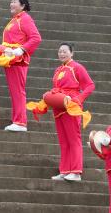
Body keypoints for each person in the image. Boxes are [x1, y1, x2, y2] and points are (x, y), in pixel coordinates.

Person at [44, 43, 95, 181]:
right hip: (60, 106)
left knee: (73, 139)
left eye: (65, 51)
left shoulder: (77, 67)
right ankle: (65, 170)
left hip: (72, 106)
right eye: (60, 51)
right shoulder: (58, 70)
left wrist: (79, 99)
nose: (62, 54)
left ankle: (76, 172)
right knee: (63, 140)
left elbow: (90, 85)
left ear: (72, 53)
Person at [0, 0, 42, 132]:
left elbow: (36, 38)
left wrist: (21, 49)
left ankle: (20, 122)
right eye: (11, 1)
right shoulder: (16, 19)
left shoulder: (25, 18)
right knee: (14, 90)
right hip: (11, 58)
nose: (11, 4)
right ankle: (17, 120)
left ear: (22, 6)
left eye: (14, 2)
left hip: (18, 60)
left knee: (17, 90)